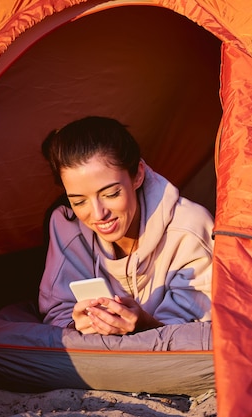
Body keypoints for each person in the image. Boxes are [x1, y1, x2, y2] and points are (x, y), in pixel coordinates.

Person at [38, 116, 214, 335]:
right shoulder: (67, 225)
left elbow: (200, 333)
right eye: (79, 201)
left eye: (111, 194)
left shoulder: (189, 228)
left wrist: (146, 326)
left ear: (138, 175)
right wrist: (77, 326)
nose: (98, 214)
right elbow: (56, 314)